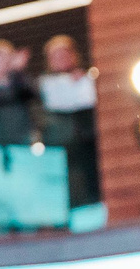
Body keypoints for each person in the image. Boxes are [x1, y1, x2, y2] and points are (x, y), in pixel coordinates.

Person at [36, 35, 97, 206]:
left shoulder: (88, 77)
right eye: (56, 56)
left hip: (88, 141)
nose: (61, 59)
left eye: (64, 54)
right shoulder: (41, 85)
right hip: (61, 146)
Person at [0, 39, 37, 146]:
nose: (3, 62)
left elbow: (31, 92)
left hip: (22, 140)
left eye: (7, 58)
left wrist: (17, 72)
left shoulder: (21, 81)